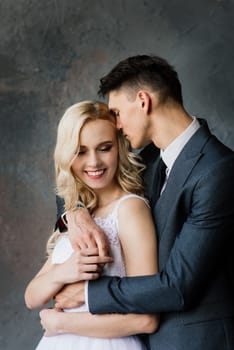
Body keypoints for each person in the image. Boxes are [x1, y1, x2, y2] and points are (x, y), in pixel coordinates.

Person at [52, 55, 234, 350]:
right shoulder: (148, 162)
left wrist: (87, 294)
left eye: (117, 112)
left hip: (196, 341)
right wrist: (74, 213)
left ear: (143, 100)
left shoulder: (218, 170)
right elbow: (78, 175)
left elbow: (178, 286)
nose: (116, 124)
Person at [24, 100, 159, 349]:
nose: (94, 162)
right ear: (67, 155)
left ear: (119, 147)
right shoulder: (78, 214)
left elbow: (146, 319)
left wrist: (62, 324)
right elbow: (32, 296)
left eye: (104, 148)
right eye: (81, 151)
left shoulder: (130, 209)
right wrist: (64, 272)